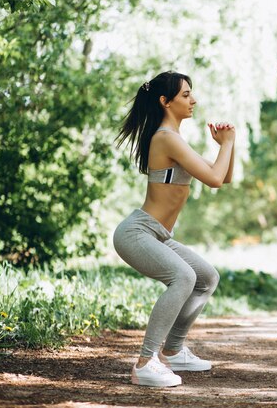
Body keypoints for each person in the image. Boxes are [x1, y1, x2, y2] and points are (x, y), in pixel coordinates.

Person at [113, 71, 235, 387]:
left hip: (159, 235)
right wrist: (228, 143)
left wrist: (227, 146)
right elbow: (214, 179)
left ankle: (174, 350)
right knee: (184, 277)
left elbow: (223, 177)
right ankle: (145, 362)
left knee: (206, 276)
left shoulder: (176, 140)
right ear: (165, 102)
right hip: (137, 232)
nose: (193, 100)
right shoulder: (166, 138)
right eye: (185, 95)